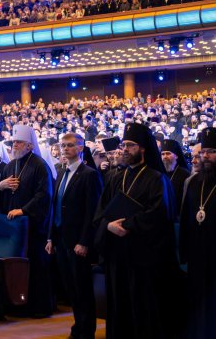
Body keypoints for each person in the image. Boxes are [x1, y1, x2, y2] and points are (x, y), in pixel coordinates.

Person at [93, 122, 179, 339]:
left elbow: (159, 215)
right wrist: (108, 226)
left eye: (130, 145)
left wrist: (127, 226)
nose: (124, 149)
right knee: (119, 306)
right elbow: (100, 212)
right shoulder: (115, 178)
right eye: (123, 145)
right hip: (117, 255)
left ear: (142, 148)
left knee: (144, 308)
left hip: (144, 258)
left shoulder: (157, 179)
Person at [179, 127, 216, 339]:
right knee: (198, 305)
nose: (204, 156)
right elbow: (186, 219)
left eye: (211, 151)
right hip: (198, 257)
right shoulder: (195, 182)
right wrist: (185, 252)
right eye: (203, 151)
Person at [0, 124, 54, 317]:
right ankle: (14, 304)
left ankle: (37, 307)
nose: (14, 145)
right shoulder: (10, 166)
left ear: (29, 145)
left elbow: (44, 195)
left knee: (34, 266)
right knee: (14, 267)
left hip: (33, 226)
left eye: (18, 142)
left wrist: (24, 210)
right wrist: (0, 186)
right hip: (13, 226)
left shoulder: (40, 166)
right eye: (13, 142)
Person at [46, 133, 102, 339]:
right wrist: (51, 238)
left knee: (82, 289)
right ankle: (78, 327)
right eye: (63, 145)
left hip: (78, 241)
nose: (65, 149)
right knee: (70, 288)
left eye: (69, 145)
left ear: (80, 148)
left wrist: (84, 241)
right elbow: (55, 206)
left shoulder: (89, 174)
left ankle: (86, 331)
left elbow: (92, 211)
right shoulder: (61, 172)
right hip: (61, 239)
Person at [161, 139, 190, 213]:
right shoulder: (159, 173)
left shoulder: (185, 174)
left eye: (168, 153)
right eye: (163, 154)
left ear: (176, 156)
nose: (165, 156)